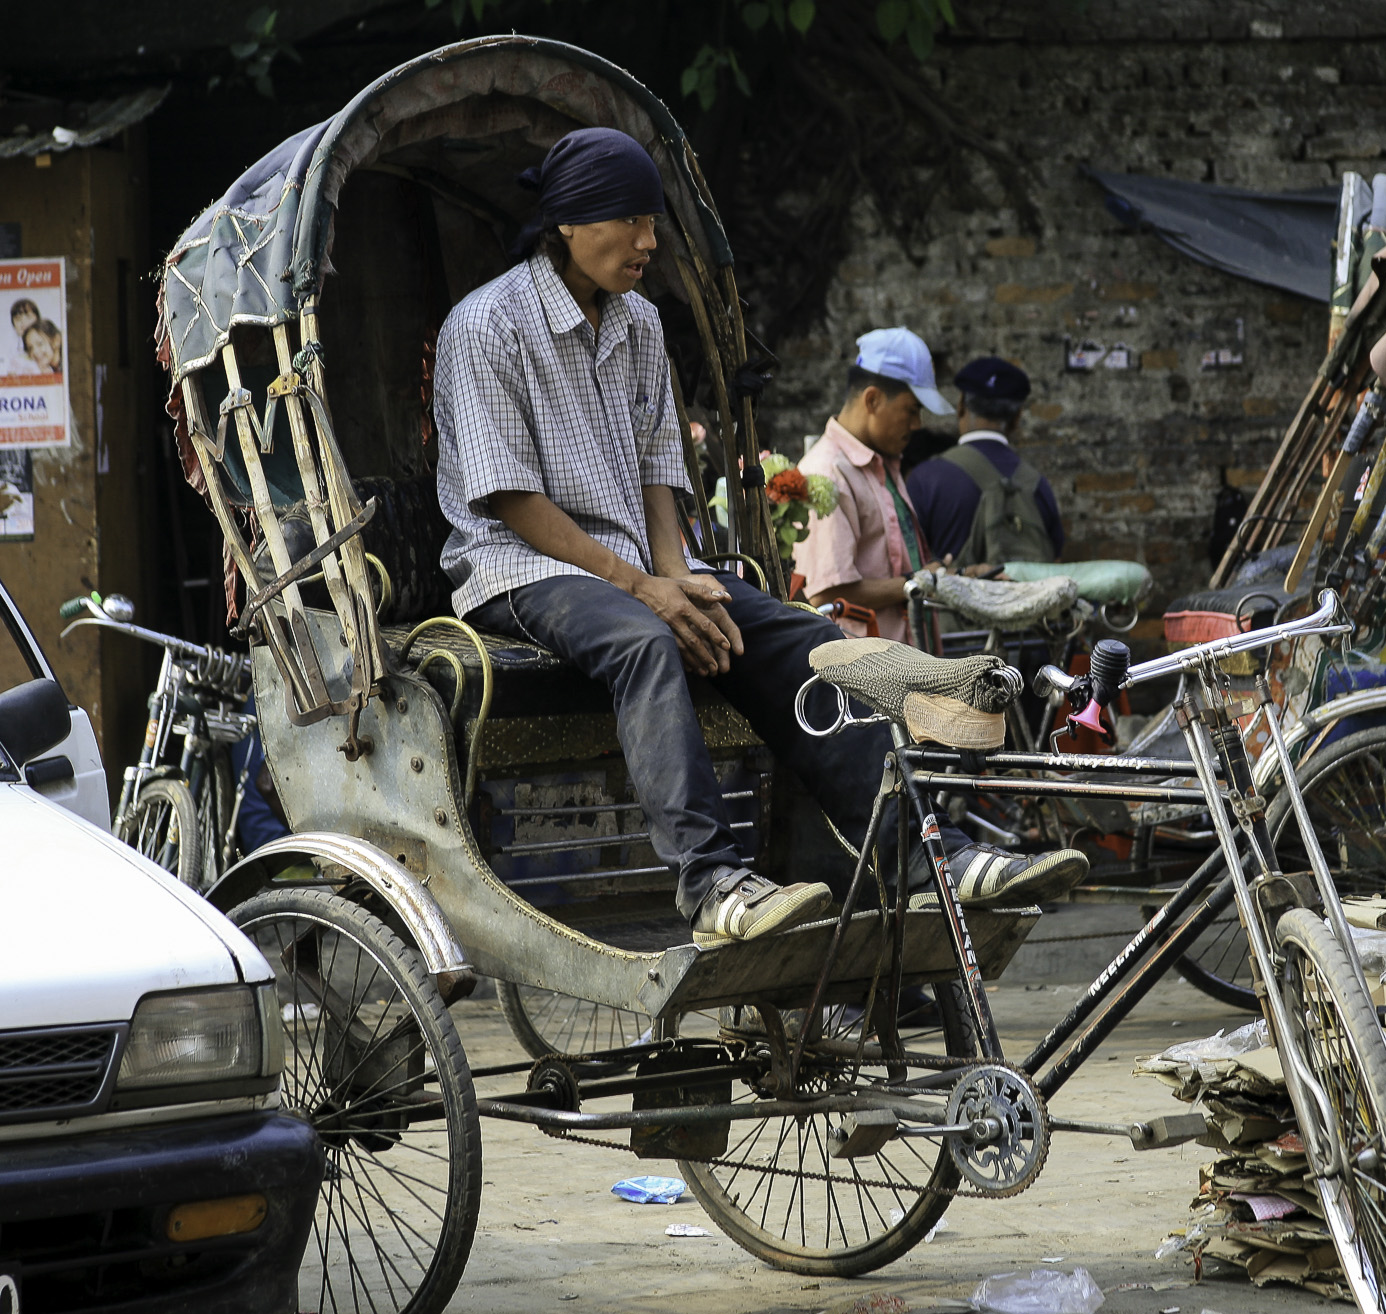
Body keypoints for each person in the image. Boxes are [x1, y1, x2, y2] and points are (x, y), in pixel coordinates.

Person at [433, 129, 1083, 948]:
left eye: (654, 222)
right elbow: (516, 502)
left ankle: (927, 856)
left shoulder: (636, 322)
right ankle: (709, 882)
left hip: (633, 563)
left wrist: (674, 569)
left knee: (800, 634)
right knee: (644, 641)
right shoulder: (486, 326)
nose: (649, 242)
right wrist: (645, 590)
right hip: (522, 567)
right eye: (632, 221)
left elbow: (656, 467)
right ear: (567, 221)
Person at [793, 328, 952, 643]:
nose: (917, 424)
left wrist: (938, 576)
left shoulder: (883, 463)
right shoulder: (826, 473)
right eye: (912, 409)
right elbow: (828, 591)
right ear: (873, 399)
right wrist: (927, 580)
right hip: (864, 677)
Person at [905, 357, 1064, 570]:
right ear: (1017, 418)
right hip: (1022, 602)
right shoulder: (1038, 486)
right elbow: (1055, 563)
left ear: (961, 405)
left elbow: (906, 561)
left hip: (948, 602)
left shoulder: (925, 479)